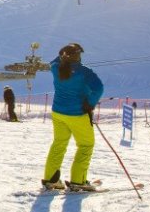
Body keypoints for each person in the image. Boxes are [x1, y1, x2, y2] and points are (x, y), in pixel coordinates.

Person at [42, 43, 104, 191]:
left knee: (59, 144)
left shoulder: (57, 67)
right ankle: (78, 180)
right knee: (85, 145)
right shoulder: (84, 72)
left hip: (58, 113)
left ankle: (51, 179)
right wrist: (90, 103)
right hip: (78, 114)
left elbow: (54, 61)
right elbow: (99, 88)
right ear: (76, 56)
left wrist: (62, 53)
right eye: (79, 54)